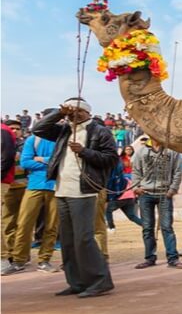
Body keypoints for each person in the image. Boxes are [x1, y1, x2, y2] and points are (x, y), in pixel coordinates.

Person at [32, 99, 118, 296]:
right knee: (68, 240)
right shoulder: (64, 129)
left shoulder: (99, 131)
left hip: (83, 190)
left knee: (83, 238)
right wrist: (58, 113)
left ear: (87, 112)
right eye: (70, 111)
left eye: (77, 111)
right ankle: (77, 282)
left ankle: (100, 281)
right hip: (62, 189)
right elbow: (39, 129)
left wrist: (85, 152)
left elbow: (111, 159)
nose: (73, 115)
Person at [3, 126, 59, 274]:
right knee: (24, 223)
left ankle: (44, 260)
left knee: (52, 225)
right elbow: (25, 162)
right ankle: (19, 260)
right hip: (34, 185)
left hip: (56, 186)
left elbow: (61, 162)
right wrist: (50, 162)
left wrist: (40, 159)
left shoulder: (61, 139)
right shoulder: (33, 139)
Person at [131, 138, 182, 270]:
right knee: (147, 227)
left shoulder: (172, 151)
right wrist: (136, 187)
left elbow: (177, 171)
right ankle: (149, 258)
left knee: (167, 227)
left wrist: (172, 190)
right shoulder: (141, 152)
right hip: (145, 193)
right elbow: (135, 171)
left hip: (165, 193)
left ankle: (173, 258)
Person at [1, 119, 27, 262]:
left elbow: (28, 162)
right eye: (12, 128)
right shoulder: (3, 143)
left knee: (24, 224)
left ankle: (22, 255)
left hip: (25, 188)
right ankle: (11, 254)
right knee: (9, 222)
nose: (14, 131)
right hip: (9, 188)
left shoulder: (26, 144)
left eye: (17, 128)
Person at [105, 157, 141, 230]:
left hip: (119, 197)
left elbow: (112, 186)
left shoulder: (114, 176)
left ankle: (111, 227)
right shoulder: (127, 176)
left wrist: (109, 198)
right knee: (132, 216)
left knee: (108, 211)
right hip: (130, 198)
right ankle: (146, 226)